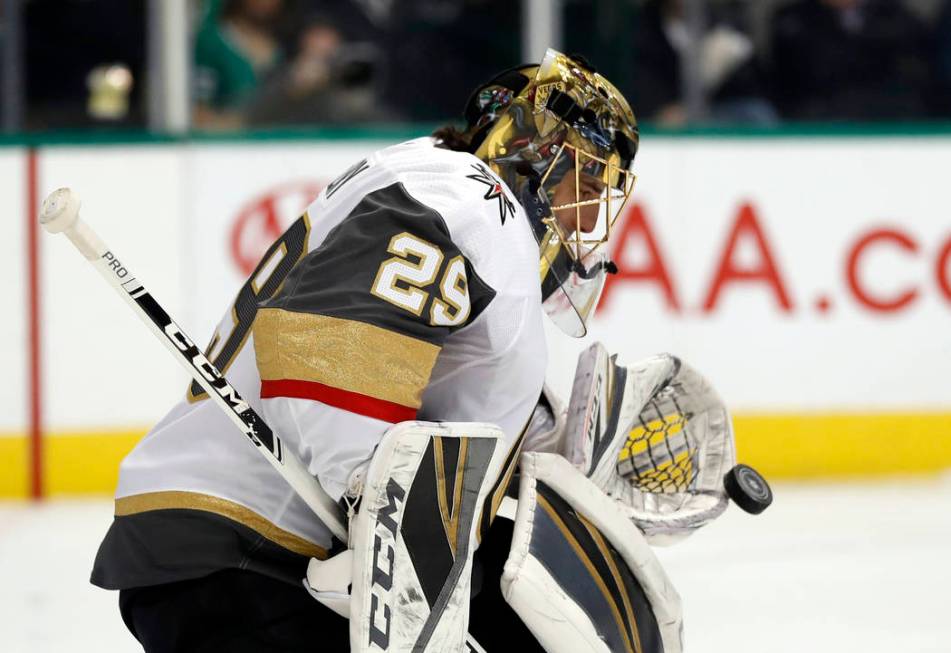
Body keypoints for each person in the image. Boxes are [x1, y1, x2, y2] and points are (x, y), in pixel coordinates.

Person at [90, 50, 647, 652]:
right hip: (249, 554)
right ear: (530, 151)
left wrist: (549, 443)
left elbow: (431, 384)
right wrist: (383, 523)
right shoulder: (472, 202)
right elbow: (326, 340)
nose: (589, 214)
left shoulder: (439, 182)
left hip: (244, 550)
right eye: (584, 184)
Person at [768, 0, 934, 121]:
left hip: (887, 124)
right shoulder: (791, 22)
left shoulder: (899, 19)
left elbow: (916, 82)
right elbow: (785, 89)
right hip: (815, 126)